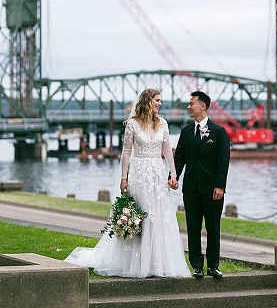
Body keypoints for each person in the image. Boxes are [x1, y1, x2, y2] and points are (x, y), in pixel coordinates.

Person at [65, 88, 190, 278]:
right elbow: (127, 153)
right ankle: (134, 262)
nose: (160, 104)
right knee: (139, 216)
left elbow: (168, 151)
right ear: (148, 101)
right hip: (138, 174)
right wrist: (124, 177)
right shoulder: (132, 124)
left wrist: (173, 174)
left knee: (158, 217)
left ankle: (157, 262)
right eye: (157, 100)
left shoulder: (162, 123)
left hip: (157, 173)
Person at [174, 90, 230, 278]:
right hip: (191, 188)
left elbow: (223, 161)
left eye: (191, 104)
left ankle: (213, 265)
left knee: (213, 228)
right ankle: (197, 265)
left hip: (213, 189)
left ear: (203, 106)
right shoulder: (186, 131)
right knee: (193, 227)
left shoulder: (219, 132)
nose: (188, 107)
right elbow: (179, 158)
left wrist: (220, 186)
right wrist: (173, 176)